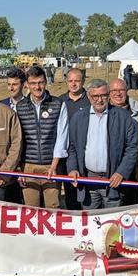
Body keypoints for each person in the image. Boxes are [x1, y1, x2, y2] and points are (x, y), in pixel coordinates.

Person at [67, 79, 138, 209]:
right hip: (88, 180)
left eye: (103, 95)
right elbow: (72, 147)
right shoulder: (78, 118)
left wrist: (121, 172)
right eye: (95, 96)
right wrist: (72, 169)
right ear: (89, 96)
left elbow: (132, 148)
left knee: (111, 224)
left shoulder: (123, 117)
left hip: (113, 180)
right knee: (91, 221)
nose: (100, 100)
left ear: (108, 95)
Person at [15, 66, 68, 209]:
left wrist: (54, 165)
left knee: (53, 209)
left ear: (46, 82)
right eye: (33, 83)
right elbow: (16, 140)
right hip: (28, 165)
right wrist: (19, 168)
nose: (37, 87)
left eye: (40, 82)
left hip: (51, 165)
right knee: (31, 211)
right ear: (26, 84)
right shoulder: (19, 107)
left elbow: (62, 136)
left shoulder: (58, 104)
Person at [58, 67, 90, 209]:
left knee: (87, 192)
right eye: (70, 81)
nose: (73, 84)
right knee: (70, 191)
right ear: (66, 82)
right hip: (65, 153)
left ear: (83, 81)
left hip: (85, 152)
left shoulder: (90, 100)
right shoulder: (60, 101)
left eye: (77, 80)